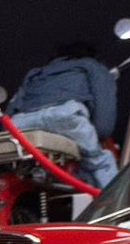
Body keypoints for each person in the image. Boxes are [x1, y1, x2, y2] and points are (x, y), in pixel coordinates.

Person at [7, 42, 119, 188]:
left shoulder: (37, 73)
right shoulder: (91, 66)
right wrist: (99, 134)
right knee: (100, 163)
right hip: (64, 115)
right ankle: (120, 207)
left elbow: (12, 107)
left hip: (22, 123)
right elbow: (104, 106)